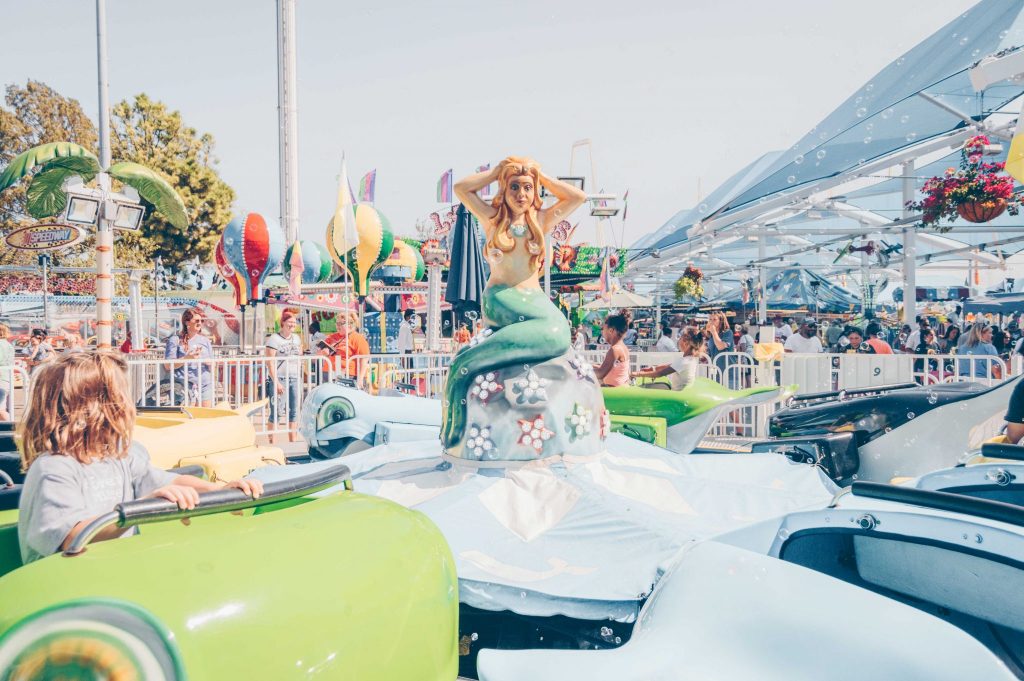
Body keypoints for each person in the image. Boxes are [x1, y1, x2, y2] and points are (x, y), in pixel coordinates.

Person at [16, 351, 263, 564]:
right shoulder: (54, 469)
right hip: (59, 593)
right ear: (96, 408)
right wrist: (140, 509)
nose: (129, 404)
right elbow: (71, 537)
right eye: (120, 396)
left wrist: (221, 491)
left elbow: (169, 482)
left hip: (106, 575)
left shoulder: (119, 455)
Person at [444, 158, 587, 446]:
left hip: (533, 299)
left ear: (535, 192)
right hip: (502, 298)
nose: (521, 194)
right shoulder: (492, 220)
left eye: (527, 188)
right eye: (514, 187)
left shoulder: (542, 221)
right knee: (556, 331)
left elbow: (578, 197)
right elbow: (461, 189)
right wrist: (496, 173)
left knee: (559, 331)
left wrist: (540, 175)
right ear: (504, 189)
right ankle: (464, 370)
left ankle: (470, 362)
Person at [265, 310, 303, 443]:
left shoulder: (297, 338)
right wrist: (276, 382)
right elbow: (269, 361)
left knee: (294, 412)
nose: (292, 324)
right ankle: (272, 442)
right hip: (280, 378)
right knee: (277, 412)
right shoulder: (274, 339)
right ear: (283, 323)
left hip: (294, 377)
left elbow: (300, 356)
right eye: (289, 322)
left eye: (294, 322)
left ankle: (293, 441)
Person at [164, 309, 214, 407]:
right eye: (197, 321)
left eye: (201, 321)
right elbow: (168, 366)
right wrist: (187, 358)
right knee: (188, 417)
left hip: (204, 384)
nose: (200, 323)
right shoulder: (175, 340)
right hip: (183, 385)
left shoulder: (205, 340)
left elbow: (212, 363)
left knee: (205, 417)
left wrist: (209, 363)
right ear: (187, 322)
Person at [632, 328, 705, 390]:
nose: (678, 341)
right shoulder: (690, 359)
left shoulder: (683, 361)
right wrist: (652, 368)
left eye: (680, 338)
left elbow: (660, 373)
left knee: (644, 387)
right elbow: (667, 366)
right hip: (681, 391)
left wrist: (637, 374)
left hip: (677, 394)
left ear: (686, 343)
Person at [323, 312, 370, 388]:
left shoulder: (358, 338)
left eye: (341, 323)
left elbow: (364, 360)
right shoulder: (331, 337)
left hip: (349, 376)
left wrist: (360, 379)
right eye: (337, 323)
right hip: (329, 373)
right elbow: (319, 353)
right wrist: (323, 352)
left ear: (350, 325)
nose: (338, 326)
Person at [593, 312, 631, 387]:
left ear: (611, 330)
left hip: (615, 393)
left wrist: (582, 371)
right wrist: (590, 366)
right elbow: (614, 369)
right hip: (622, 389)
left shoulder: (615, 349)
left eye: (603, 329)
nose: (602, 332)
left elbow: (601, 374)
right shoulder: (622, 346)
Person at [0, 324, 12, 422]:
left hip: (1, 379)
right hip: (7, 378)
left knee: (1, 410)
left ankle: (14, 429)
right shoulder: (8, 345)